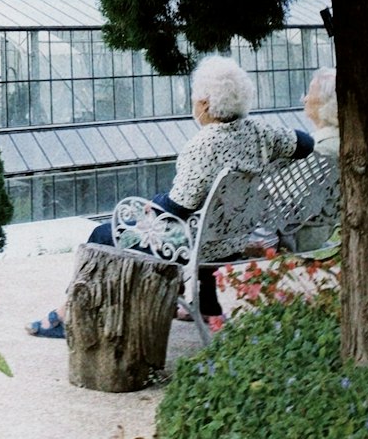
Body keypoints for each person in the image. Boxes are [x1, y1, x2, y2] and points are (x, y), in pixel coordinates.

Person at [26, 54, 314, 337]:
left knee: (103, 234)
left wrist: (146, 207)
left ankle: (70, 314)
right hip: (233, 240)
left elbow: (179, 207)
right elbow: (305, 143)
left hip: (200, 246)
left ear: (205, 103)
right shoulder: (260, 132)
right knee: (200, 222)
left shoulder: (203, 145)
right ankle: (207, 307)